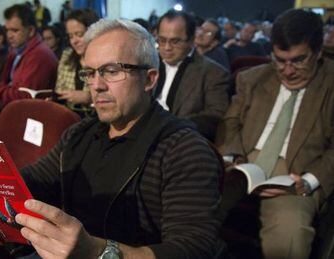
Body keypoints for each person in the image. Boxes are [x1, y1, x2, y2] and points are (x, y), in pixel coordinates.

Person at [16, 18, 222, 259]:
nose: (96, 86)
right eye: (90, 73)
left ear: (149, 79)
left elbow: (192, 249)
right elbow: (34, 182)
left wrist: (96, 251)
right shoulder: (78, 134)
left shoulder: (184, 149)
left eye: (111, 71)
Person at [217, 9, 334, 259]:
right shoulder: (252, 79)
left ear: (318, 52)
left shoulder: (330, 84)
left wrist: (310, 181)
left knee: (289, 234)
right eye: (280, 60)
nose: (288, 71)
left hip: (297, 175)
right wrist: (230, 156)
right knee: (191, 203)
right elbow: (231, 121)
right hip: (244, 164)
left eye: (299, 60)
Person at [154, 9, 230, 141]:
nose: (166, 47)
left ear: (191, 40)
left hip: (180, 139)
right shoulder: (148, 63)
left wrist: (171, 127)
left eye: (175, 41)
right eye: (162, 40)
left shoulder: (214, 73)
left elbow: (216, 115)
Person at [54, 9, 98, 116]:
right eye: (70, 36)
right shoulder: (67, 56)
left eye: (79, 34)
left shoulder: (104, 59)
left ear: (94, 32)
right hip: (68, 116)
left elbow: (116, 96)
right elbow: (60, 89)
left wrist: (89, 97)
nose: (74, 41)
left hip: (95, 118)